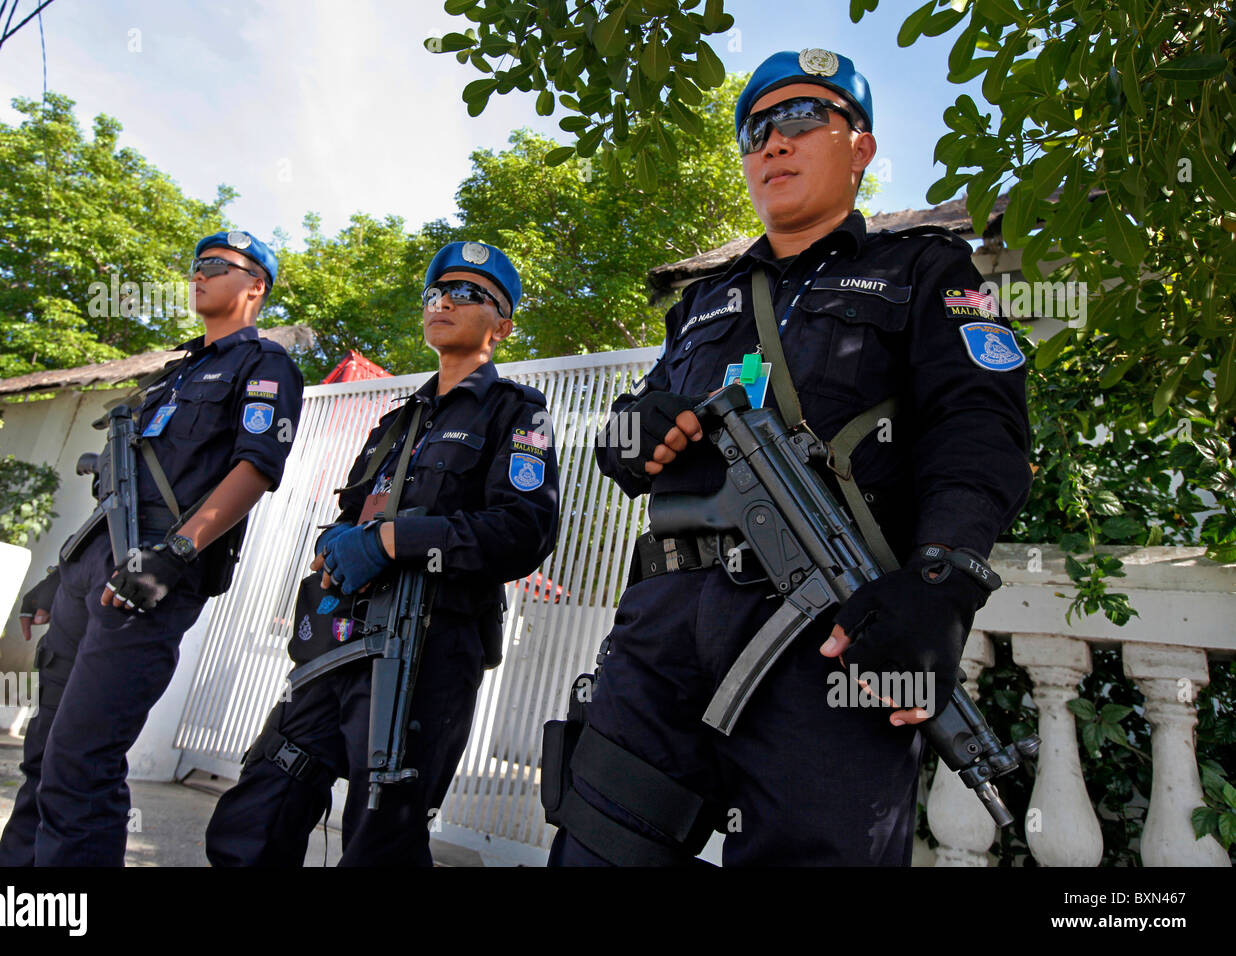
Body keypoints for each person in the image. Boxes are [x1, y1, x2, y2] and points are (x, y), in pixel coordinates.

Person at [548, 49, 1032, 866]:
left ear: (861, 148)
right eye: (755, 129)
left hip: (834, 635)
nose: (772, 142)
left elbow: (979, 424)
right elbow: (623, 443)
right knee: (596, 850)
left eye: (803, 118)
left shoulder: (928, 269)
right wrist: (638, 430)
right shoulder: (702, 301)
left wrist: (942, 582)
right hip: (663, 626)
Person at [205, 240, 559, 867]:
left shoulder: (517, 413)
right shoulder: (396, 422)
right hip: (339, 642)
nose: (444, 301)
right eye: (436, 292)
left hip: (428, 648)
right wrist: (334, 543)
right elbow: (352, 517)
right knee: (257, 812)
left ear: (501, 327)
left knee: (381, 839)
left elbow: (524, 530)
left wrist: (395, 541)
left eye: (468, 293)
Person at [0, 230, 304, 866]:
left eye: (218, 266)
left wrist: (175, 556)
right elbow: (118, 492)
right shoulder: (172, 374)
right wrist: (61, 575)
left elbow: (255, 469)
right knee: (44, 752)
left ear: (256, 287)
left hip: (149, 580)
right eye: (196, 265)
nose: (199, 274)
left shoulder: (264, 366)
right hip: (92, 569)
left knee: (81, 759)